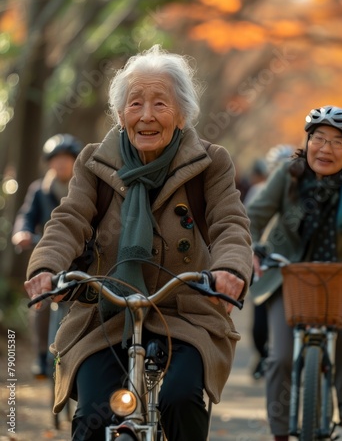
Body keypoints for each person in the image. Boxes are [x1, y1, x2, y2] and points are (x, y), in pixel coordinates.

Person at [24, 44, 253, 441]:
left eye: (160, 104)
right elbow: (69, 219)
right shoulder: (95, 162)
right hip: (107, 312)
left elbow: (230, 223)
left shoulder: (211, 163)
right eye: (135, 104)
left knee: (180, 399)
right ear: (119, 114)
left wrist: (229, 270)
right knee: (92, 419)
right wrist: (45, 267)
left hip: (186, 311)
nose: (146, 116)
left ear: (182, 114)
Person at [246, 106, 342, 441]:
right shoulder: (288, 175)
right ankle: (280, 429)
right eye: (319, 139)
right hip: (287, 274)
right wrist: (249, 245)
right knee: (281, 356)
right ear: (307, 141)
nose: (325, 149)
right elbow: (253, 216)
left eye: (337, 143)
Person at [12, 133, 82, 377]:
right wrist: (22, 231)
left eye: (66, 158)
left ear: (76, 161)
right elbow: (26, 216)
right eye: (56, 159)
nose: (61, 163)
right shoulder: (40, 190)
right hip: (49, 256)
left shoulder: (83, 188)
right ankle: (42, 355)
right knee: (41, 300)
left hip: (80, 259)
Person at [243, 144, 294, 380]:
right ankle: (262, 353)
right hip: (264, 259)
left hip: (293, 263)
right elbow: (249, 222)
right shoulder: (258, 191)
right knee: (260, 312)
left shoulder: (300, 193)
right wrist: (253, 249)